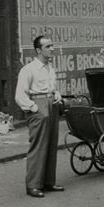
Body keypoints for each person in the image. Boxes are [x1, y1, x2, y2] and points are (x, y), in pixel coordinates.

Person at [15, 36, 64, 198]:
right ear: (38, 50)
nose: (52, 49)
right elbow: (20, 95)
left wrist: (56, 94)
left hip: (51, 103)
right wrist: (34, 107)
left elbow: (52, 87)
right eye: (48, 46)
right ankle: (33, 185)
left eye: (52, 45)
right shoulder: (28, 69)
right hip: (38, 105)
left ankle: (48, 182)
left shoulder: (50, 67)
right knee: (38, 145)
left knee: (51, 143)